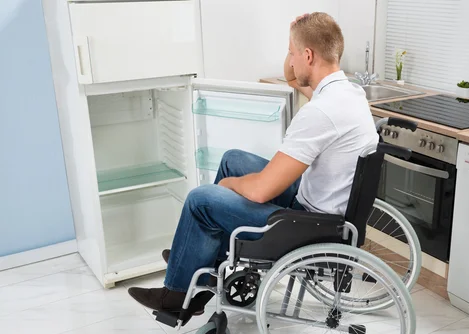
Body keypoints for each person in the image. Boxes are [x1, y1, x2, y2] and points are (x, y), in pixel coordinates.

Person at [128, 12, 379, 314]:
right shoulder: (349, 93)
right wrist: (296, 36)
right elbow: (291, 77)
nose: (290, 59)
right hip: (328, 213)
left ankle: (177, 297)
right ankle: (203, 260)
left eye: (292, 52)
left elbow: (261, 191)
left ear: (308, 55)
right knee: (234, 159)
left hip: (308, 226)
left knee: (201, 199)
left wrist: (226, 185)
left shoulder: (321, 112)